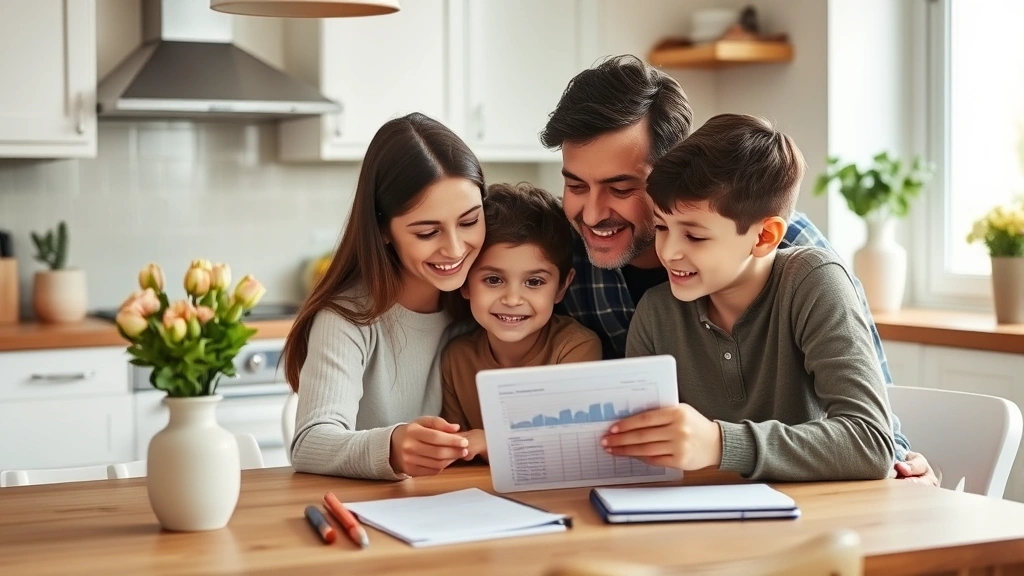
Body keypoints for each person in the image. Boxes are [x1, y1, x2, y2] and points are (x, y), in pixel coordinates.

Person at [540, 54, 937, 485]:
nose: (593, 213)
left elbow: (869, 418)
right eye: (575, 185)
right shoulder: (563, 258)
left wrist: (898, 461)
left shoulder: (790, 251)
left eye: (620, 188)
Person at [600, 114, 895, 481]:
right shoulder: (656, 312)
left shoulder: (813, 282)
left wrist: (720, 444)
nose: (669, 251)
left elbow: (871, 442)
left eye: (694, 236)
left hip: (814, 520)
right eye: (662, 227)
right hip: (699, 521)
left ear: (764, 237)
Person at [281, 112, 485, 481]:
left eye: (470, 222)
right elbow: (310, 442)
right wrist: (391, 447)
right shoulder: (348, 318)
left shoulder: (487, 302)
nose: (455, 249)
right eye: (427, 232)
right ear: (383, 230)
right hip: (372, 518)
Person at [440, 182, 603, 460]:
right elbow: (458, 447)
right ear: (464, 282)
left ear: (562, 287)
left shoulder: (576, 349)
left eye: (534, 282)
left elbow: (575, 442)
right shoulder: (456, 358)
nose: (513, 299)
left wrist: (491, 441)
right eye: (493, 280)